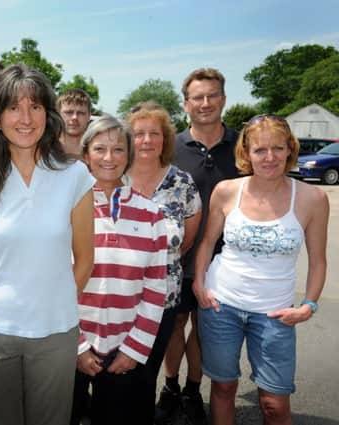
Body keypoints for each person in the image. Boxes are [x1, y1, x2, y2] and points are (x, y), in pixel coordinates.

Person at [0, 63, 95, 425]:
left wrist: (53, 301)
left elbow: (85, 259)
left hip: (54, 332)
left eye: (34, 106)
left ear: (48, 115)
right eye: (14, 107)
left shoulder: (75, 175)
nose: (25, 118)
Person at [193, 114, 328, 425]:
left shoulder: (313, 198)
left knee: (274, 404)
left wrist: (308, 305)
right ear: (246, 153)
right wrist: (199, 285)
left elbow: (319, 260)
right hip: (220, 306)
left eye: (278, 149)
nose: (270, 157)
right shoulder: (226, 191)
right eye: (260, 150)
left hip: (275, 313)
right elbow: (206, 243)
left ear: (290, 150)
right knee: (224, 387)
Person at [70, 114, 168, 425]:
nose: (109, 158)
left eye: (118, 149)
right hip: (70, 344)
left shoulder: (152, 214)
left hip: (126, 348)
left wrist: (134, 350)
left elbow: (155, 290)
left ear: (129, 155)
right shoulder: (66, 210)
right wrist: (78, 347)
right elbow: (52, 283)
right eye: (99, 149)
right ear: (86, 155)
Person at [156, 68, 239, 425]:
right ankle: (170, 387)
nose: (205, 103)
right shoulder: (169, 147)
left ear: (223, 99)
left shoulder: (243, 145)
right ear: (186, 103)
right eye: (197, 97)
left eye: (212, 96)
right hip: (178, 256)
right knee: (175, 323)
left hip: (226, 260)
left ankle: (193, 389)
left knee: (205, 328)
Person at [124, 102, 202, 423]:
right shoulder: (111, 179)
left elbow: (185, 242)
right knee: (115, 375)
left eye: (153, 134)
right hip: (114, 299)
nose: (145, 140)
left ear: (164, 139)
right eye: (138, 134)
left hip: (162, 299)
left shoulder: (181, 183)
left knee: (146, 373)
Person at [58, 88, 92, 156]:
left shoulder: (98, 153)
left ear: (89, 116)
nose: (74, 117)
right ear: (58, 115)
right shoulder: (44, 150)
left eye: (81, 113)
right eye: (69, 112)